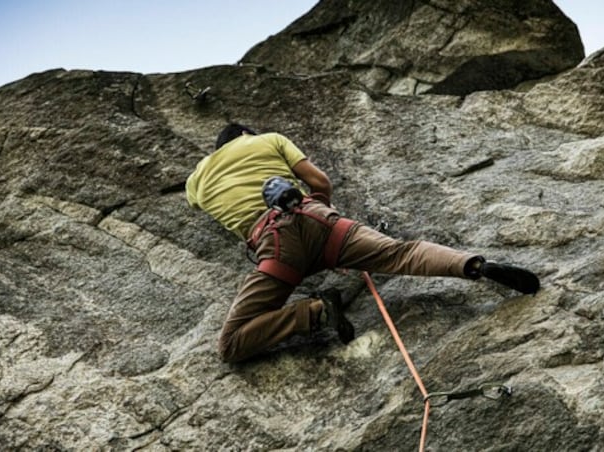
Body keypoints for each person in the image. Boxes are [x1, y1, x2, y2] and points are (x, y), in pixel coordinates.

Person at [186, 123, 539, 363]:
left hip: (276, 248)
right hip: (319, 218)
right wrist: (322, 210)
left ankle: (316, 312)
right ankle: (474, 265)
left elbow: (199, 203)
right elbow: (318, 180)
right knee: (401, 253)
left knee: (231, 345)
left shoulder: (198, 178)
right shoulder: (268, 140)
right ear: (247, 133)